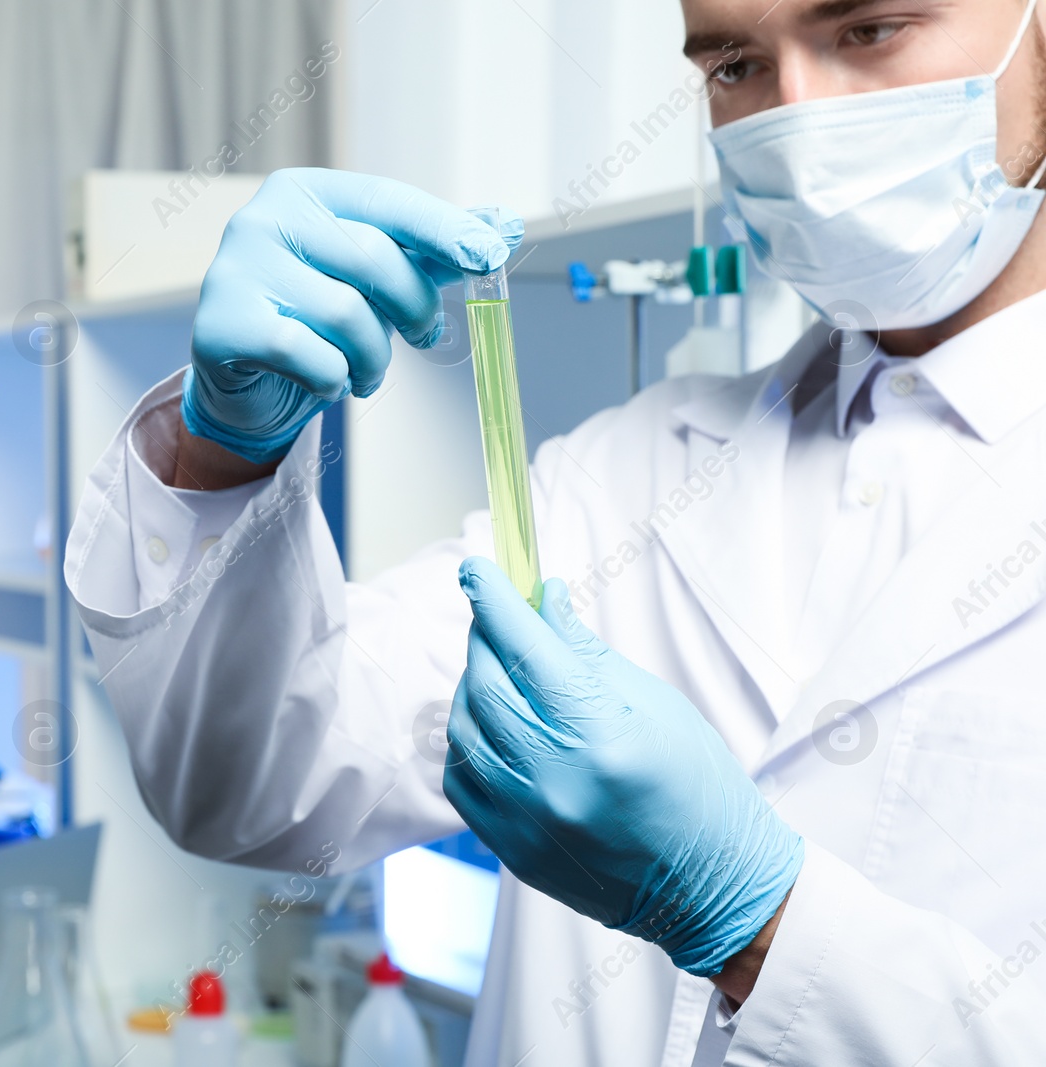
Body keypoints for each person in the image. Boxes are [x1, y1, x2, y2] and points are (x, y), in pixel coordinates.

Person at [66, 0, 1046, 1062]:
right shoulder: (627, 474)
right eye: (732, 63)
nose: (796, 119)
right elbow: (252, 785)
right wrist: (223, 454)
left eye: (869, 28)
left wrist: (760, 922)